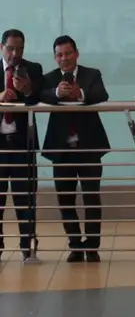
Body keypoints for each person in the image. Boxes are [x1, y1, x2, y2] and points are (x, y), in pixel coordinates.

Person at [39, 35, 110, 262]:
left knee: (91, 198)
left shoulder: (92, 74)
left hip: (89, 146)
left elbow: (101, 94)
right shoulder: (49, 78)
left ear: (76, 54)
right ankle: (75, 245)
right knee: (65, 199)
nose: (64, 58)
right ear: (55, 57)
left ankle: (92, 246)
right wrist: (57, 94)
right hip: (61, 149)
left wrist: (79, 94)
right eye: (59, 55)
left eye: (68, 53)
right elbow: (39, 95)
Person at [0, 29, 43, 260]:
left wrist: (26, 89)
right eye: (11, 48)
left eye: (20, 49)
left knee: (25, 199)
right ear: (1, 47)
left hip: (22, 145)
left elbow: (38, 97)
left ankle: (28, 248)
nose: (15, 53)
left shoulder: (32, 69)